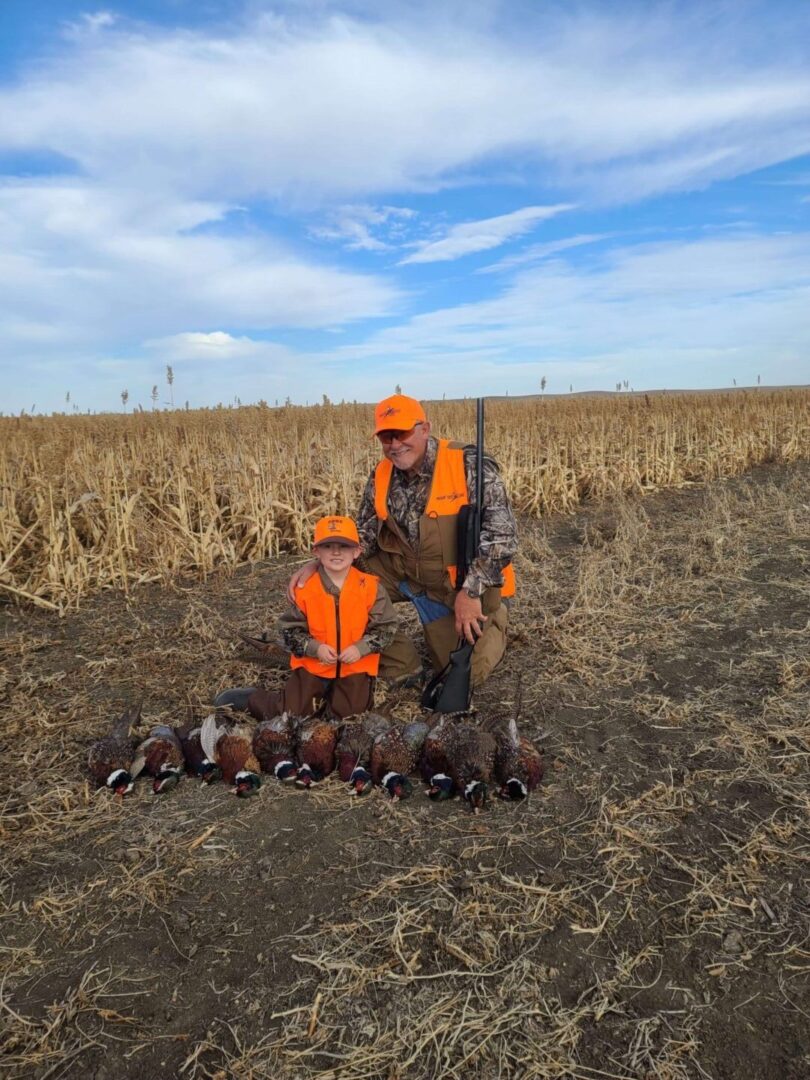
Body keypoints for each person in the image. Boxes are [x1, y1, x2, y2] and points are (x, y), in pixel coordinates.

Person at [288, 394, 517, 688]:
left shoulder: (467, 463)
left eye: (403, 432)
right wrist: (320, 566)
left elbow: (503, 536)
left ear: (425, 428)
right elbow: (363, 534)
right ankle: (399, 659)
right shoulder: (382, 474)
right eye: (386, 436)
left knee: (464, 675)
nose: (395, 444)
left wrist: (471, 593)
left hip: (460, 584)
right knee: (343, 582)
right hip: (405, 573)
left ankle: (496, 618)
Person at [252, 515, 397, 720]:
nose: (336, 552)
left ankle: (333, 701)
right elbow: (289, 632)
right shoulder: (305, 589)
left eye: (344, 546)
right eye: (328, 546)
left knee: (349, 718)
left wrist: (360, 648)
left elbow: (386, 629)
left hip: (354, 666)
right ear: (316, 552)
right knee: (290, 715)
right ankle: (253, 698)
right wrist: (315, 648)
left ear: (357, 552)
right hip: (314, 666)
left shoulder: (371, 588)